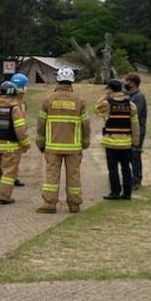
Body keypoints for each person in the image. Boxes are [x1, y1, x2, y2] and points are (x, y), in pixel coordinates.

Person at [36, 66, 90, 213]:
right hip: (74, 147)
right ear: (72, 81)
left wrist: (40, 142)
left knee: (52, 175)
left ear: (58, 80)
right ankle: (74, 204)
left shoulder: (48, 100)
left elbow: (41, 124)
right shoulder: (79, 101)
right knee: (73, 176)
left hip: (52, 146)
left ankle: (49, 204)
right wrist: (85, 141)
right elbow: (86, 124)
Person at [0, 81, 31, 204]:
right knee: (9, 172)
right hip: (11, 147)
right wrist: (26, 144)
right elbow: (20, 130)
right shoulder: (14, 109)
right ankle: (4, 196)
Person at [96, 79, 140, 200]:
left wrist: (105, 95)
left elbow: (97, 108)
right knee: (126, 168)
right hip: (126, 143)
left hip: (111, 143)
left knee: (113, 169)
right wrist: (135, 141)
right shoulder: (130, 105)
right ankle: (127, 193)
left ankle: (115, 192)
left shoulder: (107, 104)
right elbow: (135, 124)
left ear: (110, 89)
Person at [124, 73, 147, 189]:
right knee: (131, 155)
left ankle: (136, 180)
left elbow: (134, 113)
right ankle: (133, 178)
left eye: (128, 81)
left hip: (137, 131)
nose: (126, 84)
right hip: (131, 130)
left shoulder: (138, 97)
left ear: (133, 83)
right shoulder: (131, 96)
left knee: (135, 154)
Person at [10, 72, 30, 187]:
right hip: (15, 133)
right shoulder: (18, 102)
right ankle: (11, 178)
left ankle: (13, 176)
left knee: (14, 158)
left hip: (13, 132)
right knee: (13, 158)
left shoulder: (13, 99)